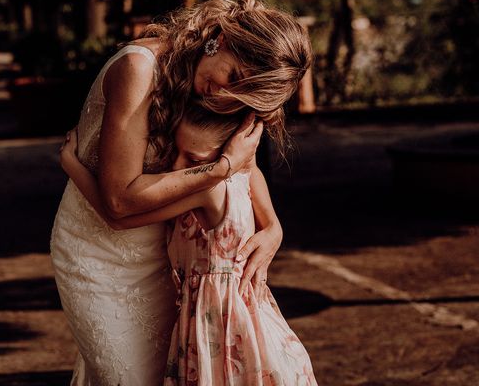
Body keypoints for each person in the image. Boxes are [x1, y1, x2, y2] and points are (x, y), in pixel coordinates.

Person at [50, 0, 313, 385]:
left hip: (164, 252)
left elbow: (245, 161)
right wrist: (217, 170)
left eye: (240, 96)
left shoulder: (217, 89)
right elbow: (119, 202)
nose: (223, 97)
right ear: (223, 38)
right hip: (97, 250)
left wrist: (272, 226)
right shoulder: (139, 70)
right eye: (234, 78)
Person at [61, 102, 320, 385]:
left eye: (194, 161)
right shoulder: (243, 176)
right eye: (177, 152)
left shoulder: (207, 190)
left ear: (226, 155)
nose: (178, 167)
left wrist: (72, 165)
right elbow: (251, 169)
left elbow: (119, 217)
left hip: (222, 325)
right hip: (248, 317)